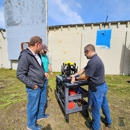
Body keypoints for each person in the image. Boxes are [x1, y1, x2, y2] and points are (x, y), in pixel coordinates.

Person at [71, 44, 112, 130]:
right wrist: (74, 75)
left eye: (85, 53)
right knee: (104, 105)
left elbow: (86, 76)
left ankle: (95, 127)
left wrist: (76, 79)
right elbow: (84, 69)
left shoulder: (93, 61)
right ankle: (108, 122)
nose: (85, 55)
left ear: (88, 51)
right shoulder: (96, 59)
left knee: (95, 109)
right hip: (103, 86)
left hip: (96, 89)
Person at [17, 36, 49, 130]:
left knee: (41, 101)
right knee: (33, 106)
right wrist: (32, 85)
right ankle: (30, 125)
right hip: (34, 86)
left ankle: (40, 115)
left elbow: (39, 67)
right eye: (41, 45)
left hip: (42, 82)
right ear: (37, 44)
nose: (42, 48)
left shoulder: (37, 54)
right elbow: (20, 74)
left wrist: (44, 73)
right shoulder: (25, 55)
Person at [39, 44, 54, 118]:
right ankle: (40, 113)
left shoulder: (46, 56)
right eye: (44, 51)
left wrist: (51, 71)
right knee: (41, 94)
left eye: (46, 51)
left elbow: (48, 65)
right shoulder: (38, 56)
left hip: (46, 76)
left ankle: (40, 112)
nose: (45, 52)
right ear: (41, 49)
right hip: (40, 76)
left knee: (44, 92)